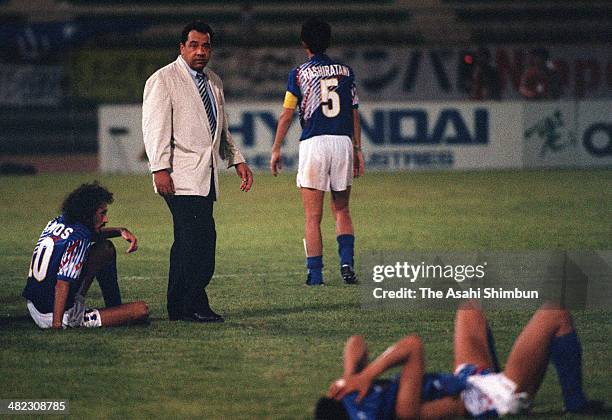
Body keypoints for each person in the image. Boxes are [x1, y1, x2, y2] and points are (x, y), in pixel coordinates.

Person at [316, 301, 604, 418]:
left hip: (470, 381)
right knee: (555, 314)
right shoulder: (404, 411)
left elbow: (356, 342)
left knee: (469, 309)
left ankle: (512, 369)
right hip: (498, 398)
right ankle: (576, 402)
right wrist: (366, 376)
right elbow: (413, 346)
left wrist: (350, 374)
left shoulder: (359, 405)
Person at [142, 21, 253, 323]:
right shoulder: (163, 80)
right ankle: (190, 304)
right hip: (179, 177)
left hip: (205, 177)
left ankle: (184, 305)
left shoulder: (213, 81)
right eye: (194, 45)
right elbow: (155, 129)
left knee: (199, 241)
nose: (200, 51)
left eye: (205, 46)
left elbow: (221, 130)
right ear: (181, 48)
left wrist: (236, 159)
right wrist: (160, 169)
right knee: (195, 241)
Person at [270, 18, 364, 286]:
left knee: (313, 217)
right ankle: (347, 266)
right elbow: (354, 113)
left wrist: (276, 148)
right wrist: (357, 149)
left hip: (314, 144)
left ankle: (315, 275)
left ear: (304, 43)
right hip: (342, 142)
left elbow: (287, 115)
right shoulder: (346, 72)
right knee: (342, 210)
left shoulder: (299, 73)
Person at [22, 182, 149, 329]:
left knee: (105, 248)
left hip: (34, 305)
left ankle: (113, 306)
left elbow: (91, 235)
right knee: (141, 310)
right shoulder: (79, 237)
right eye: (102, 213)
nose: (106, 219)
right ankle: (92, 314)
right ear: (88, 213)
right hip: (55, 314)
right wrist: (57, 325)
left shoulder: (57, 222)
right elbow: (62, 284)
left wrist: (120, 231)